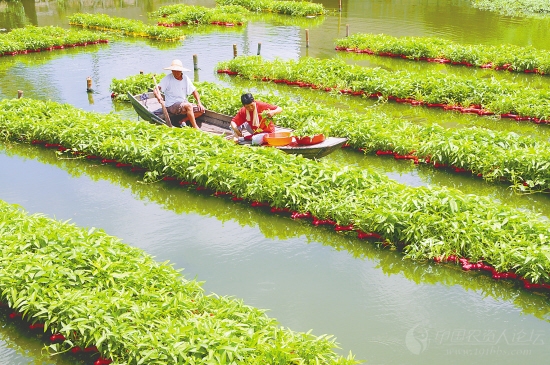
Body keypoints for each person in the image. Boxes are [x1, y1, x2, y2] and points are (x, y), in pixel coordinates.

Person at [153, 59, 205, 129]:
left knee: (201, 110)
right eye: (174, 71)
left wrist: (199, 102)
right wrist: (158, 97)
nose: (176, 73)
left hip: (182, 103)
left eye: (178, 71)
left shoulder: (185, 78)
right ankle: (195, 127)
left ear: (181, 71)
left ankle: (182, 121)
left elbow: (194, 91)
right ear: (172, 71)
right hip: (171, 105)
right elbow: (156, 90)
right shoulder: (167, 79)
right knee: (189, 106)